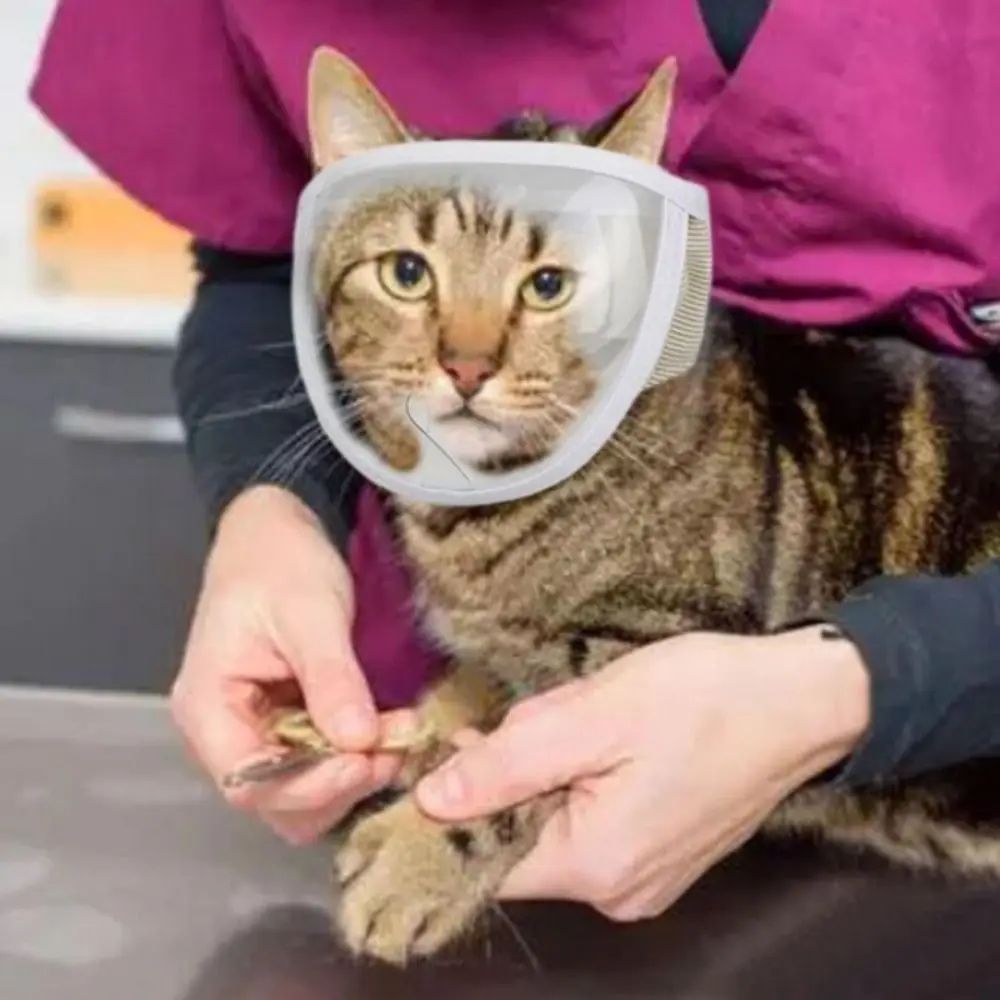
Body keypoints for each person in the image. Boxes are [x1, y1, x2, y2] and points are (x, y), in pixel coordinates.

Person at [32, 0, 1000, 913]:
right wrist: (270, 515)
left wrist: (867, 682)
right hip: (466, 762)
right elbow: (264, 255)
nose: (468, 358)